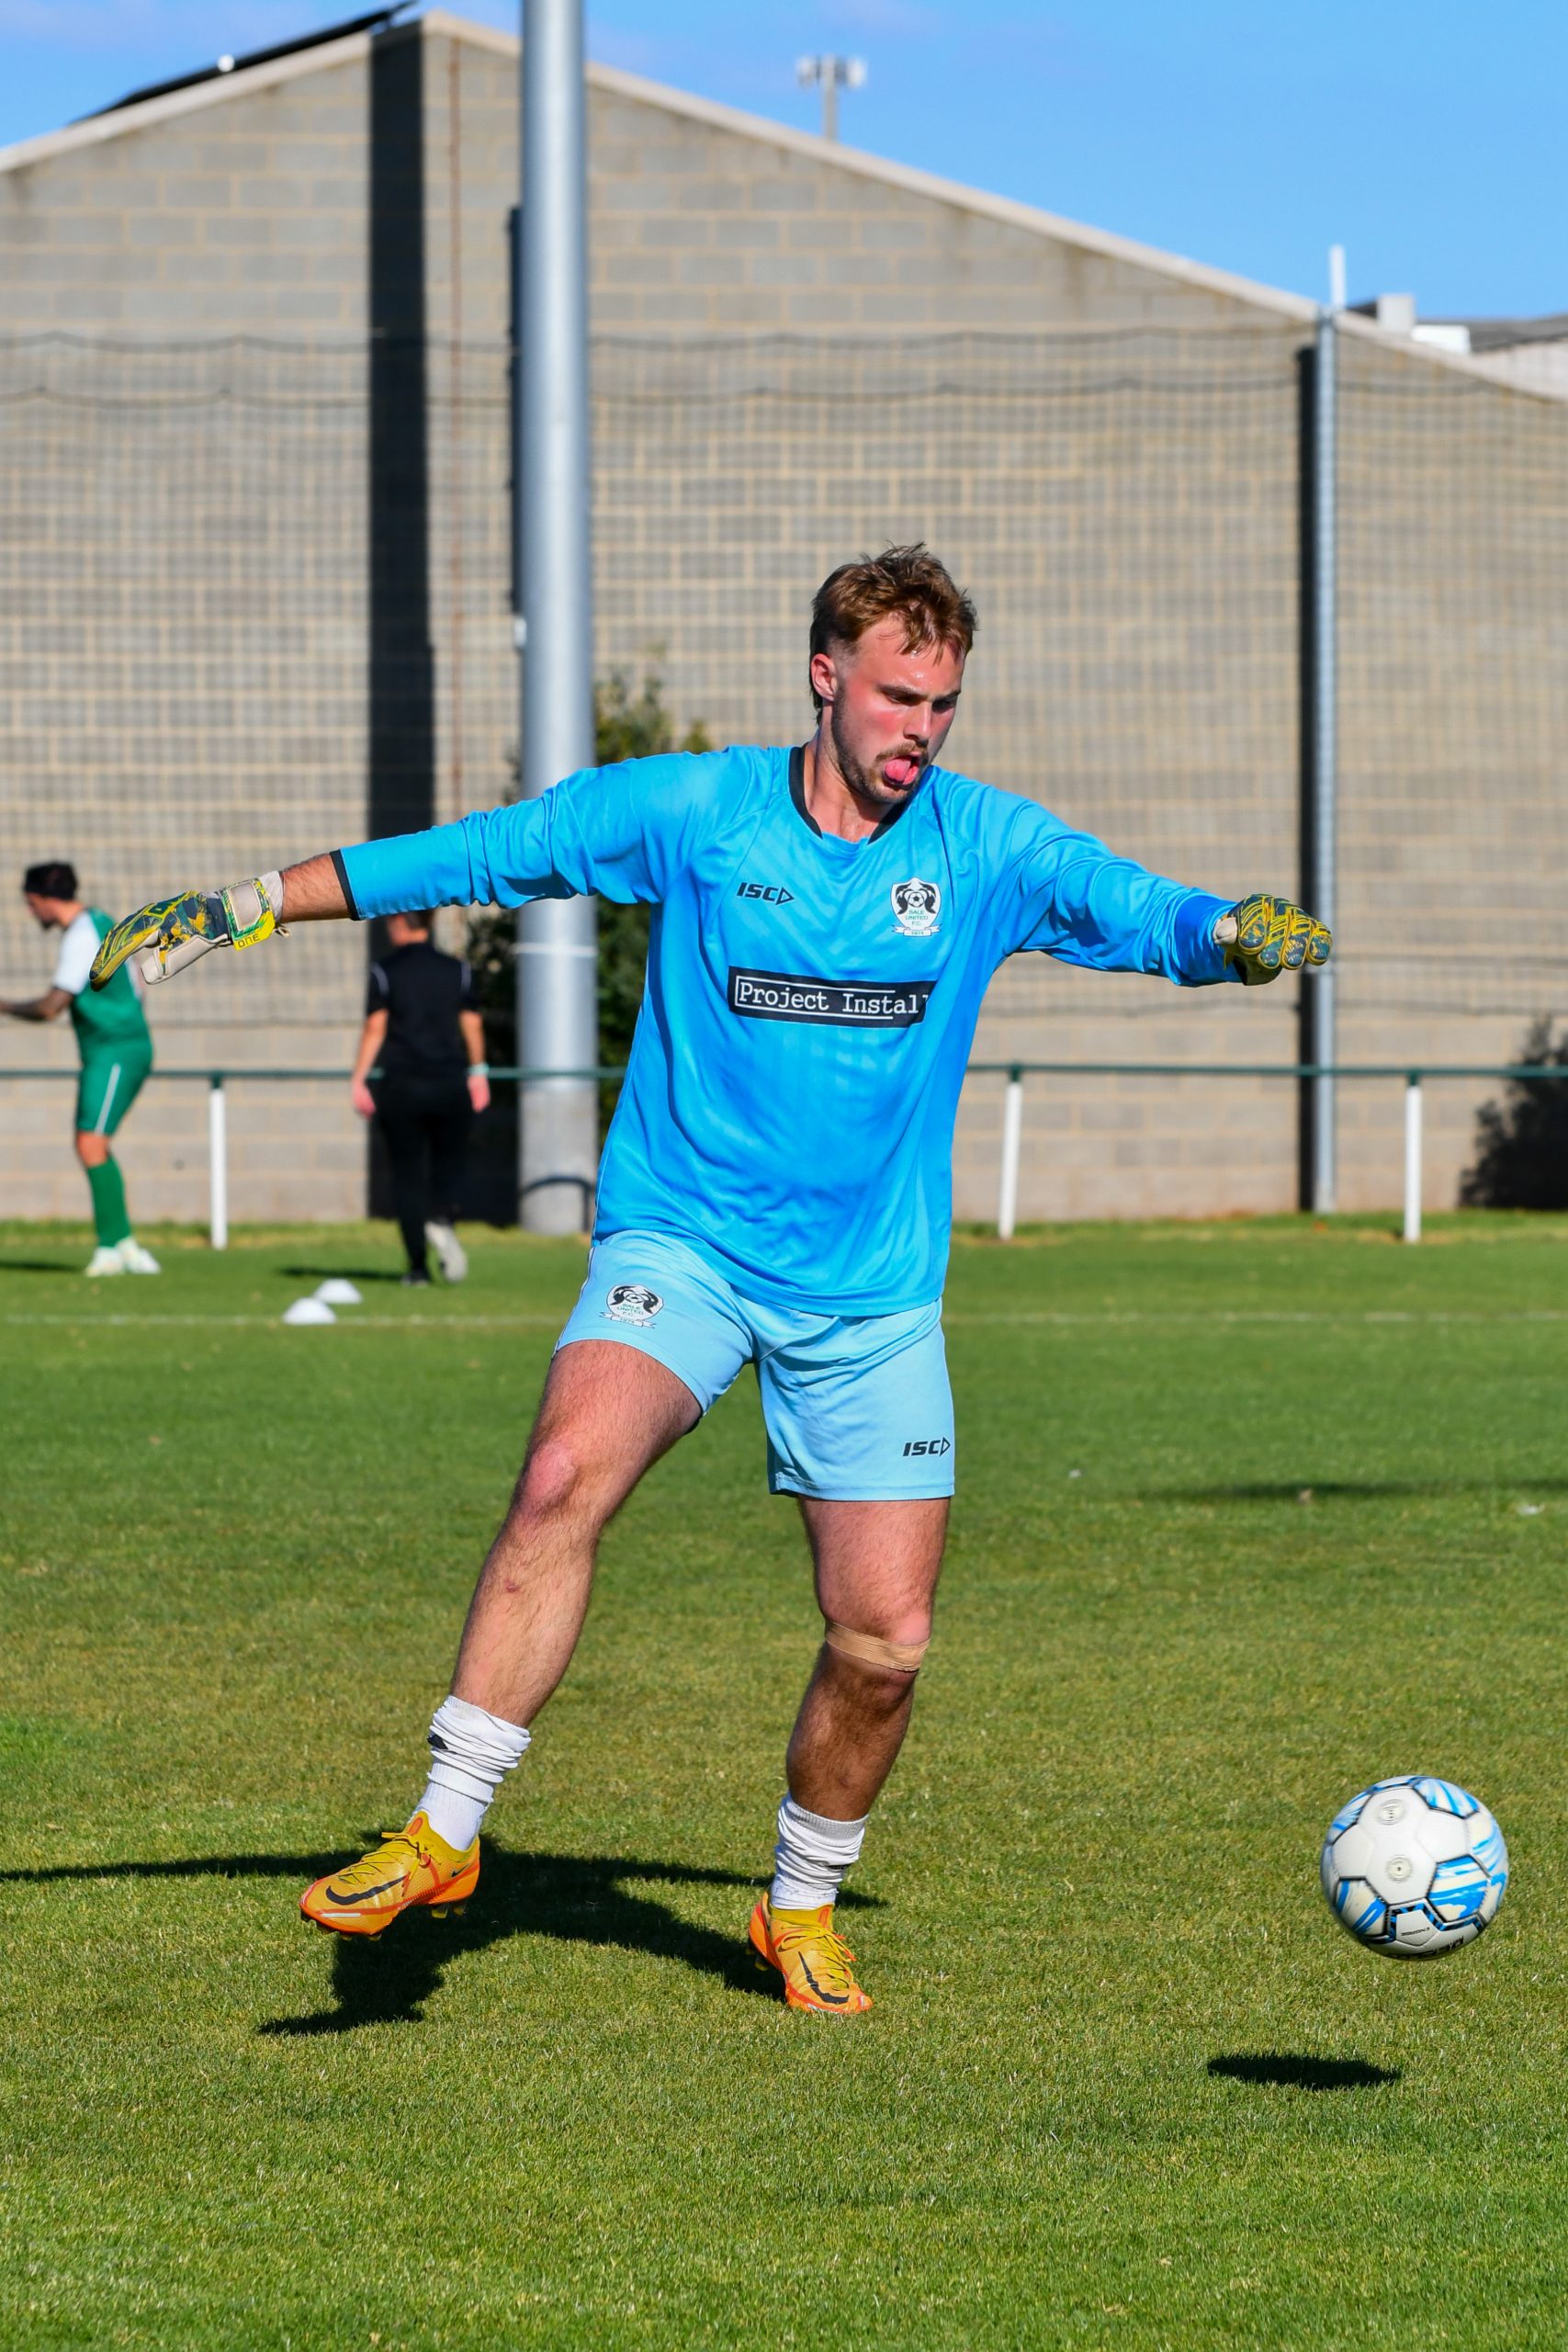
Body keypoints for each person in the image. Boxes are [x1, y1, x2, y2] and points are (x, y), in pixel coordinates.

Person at [92, 545, 1330, 2016]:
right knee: (563, 1472)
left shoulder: (984, 846)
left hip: (868, 1302)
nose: (917, 731)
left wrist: (1228, 940)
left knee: (884, 1641)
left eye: (940, 703)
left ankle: (797, 1905)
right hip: (681, 1244)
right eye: (892, 696)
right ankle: (443, 1830)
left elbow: (1133, 911)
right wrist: (247, 906)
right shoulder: (691, 809)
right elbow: (481, 852)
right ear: (824, 677)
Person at [3, 861, 160, 1277]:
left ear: (43, 900)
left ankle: (112, 1247)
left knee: (91, 1144)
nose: (30, 913)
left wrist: (2, 1004)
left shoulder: (81, 935)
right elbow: (137, 982)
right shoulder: (100, 922)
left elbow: (52, 1006)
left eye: (30, 904)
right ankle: (123, 1244)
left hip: (116, 1051)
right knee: (92, 1144)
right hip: (109, 1049)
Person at [350, 909, 490, 1286]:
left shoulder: (385, 971)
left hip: (403, 1088)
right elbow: (472, 1023)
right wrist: (479, 1072)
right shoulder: (456, 970)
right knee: (451, 1166)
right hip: (449, 1085)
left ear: (399, 923)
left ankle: (417, 1270)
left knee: (407, 1178)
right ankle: (441, 1217)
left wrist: (359, 1078)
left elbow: (375, 1029)